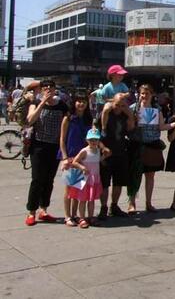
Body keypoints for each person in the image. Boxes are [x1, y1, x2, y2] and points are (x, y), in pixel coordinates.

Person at [128, 84, 175, 213]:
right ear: (139, 95)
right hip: (137, 144)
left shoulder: (156, 109)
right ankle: (132, 203)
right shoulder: (133, 108)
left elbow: (161, 127)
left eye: (147, 93)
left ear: (152, 95)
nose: (144, 96)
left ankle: (148, 203)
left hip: (152, 145)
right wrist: (133, 120)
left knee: (150, 176)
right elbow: (128, 128)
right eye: (142, 94)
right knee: (135, 175)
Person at [24, 79, 69, 226]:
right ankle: (31, 211)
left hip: (54, 147)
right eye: (45, 87)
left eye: (51, 87)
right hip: (38, 146)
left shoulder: (62, 106)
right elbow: (30, 120)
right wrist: (43, 102)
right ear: (41, 90)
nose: (48, 89)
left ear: (55, 89)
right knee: (37, 179)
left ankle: (43, 210)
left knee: (49, 180)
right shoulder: (35, 103)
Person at [59, 92, 93, 227]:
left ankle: (75, 215)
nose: (81, 104)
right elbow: (62, 139)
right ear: (74, 103)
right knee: (69, 189)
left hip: (84, 157)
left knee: (79, 188)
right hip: (71, 156)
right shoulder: (68, 118)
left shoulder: (88, 119)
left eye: (83, 101)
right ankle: (67, 216)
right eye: (78, 101)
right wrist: (65, 157)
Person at [99, 92, 135, 219]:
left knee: (118, 182)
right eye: (117, 105)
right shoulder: (106, 113)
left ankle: (114, 206)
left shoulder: (125, 115)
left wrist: (130, 115)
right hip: (106, 153)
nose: (119, 108)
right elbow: (99, 133)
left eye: (122, 105)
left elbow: (131, 129)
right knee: (104, 183)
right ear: (111, 103)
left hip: (121, 152)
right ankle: (103, 207)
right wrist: (103, 148)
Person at [68, 128, 111, 228]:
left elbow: (98, 160)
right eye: (91, 140)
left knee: (91, 200)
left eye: (95, 140)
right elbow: (75, 161)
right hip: (85, 179)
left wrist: (105, 156)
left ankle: (91, 217)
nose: (93, 142)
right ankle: (82, 218)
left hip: (94, 179)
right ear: (87, 140)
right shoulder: (84, 151)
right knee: (83, 199)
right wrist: (82, 167)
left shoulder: (97, 150)